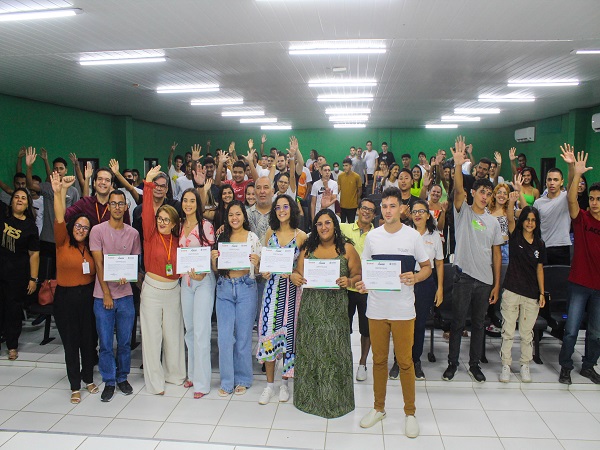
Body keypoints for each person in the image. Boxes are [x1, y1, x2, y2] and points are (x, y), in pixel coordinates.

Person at [355, 187, 430, 438]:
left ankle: (410, 413)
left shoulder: (412, 237)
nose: (388, 210)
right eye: (384, 206)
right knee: (378, 361)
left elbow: (427, 268)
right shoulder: (373, 238)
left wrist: (416, 277)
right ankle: (379, 408)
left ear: (401, 208)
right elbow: (367, 271)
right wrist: (363, 284)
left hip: (402, 310)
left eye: (392, 206)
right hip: (376, 309)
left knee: (405, 362)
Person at [442, 136, 503, 383]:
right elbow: (457, 189)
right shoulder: (463, 212)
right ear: (473, 193)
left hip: (485, 280)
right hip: (464, 278)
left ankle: (474, 364)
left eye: (488, 193)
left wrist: (497, 284)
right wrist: (458, 164)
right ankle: (453, 363)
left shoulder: (493, 221)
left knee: (479, 324)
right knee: (458, 323)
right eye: (482, 191)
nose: (485, 196)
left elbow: (496, 254)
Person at [293, 209, 361, 418]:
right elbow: (298, 272)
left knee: (334, 354)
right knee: (311, 352)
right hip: (312, 310)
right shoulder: (307, 248)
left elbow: (358, 276)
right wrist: (295, 277)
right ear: (315, 227)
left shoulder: (347, 249)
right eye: (319, 223)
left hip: (335, 310)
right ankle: (308, 399)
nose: (324, 227)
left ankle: (337, 401)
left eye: (328, 223)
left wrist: (348, 281)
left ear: (335, 225)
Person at [50, 172, 98, 403]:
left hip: (87, 296)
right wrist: (59, 191)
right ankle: (74, 385)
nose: (81, 229)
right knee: (71, 342)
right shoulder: (62, 242)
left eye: (85, 227)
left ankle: (88, 378)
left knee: (88, 339)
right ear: (72, 227)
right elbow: (59, 217)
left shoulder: (89, 248)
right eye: (78, 226)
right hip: (65, 297)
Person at [90, 189, 141, 402]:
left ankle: (122, 377)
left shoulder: (133, 234)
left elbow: (133, 263)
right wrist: (107, 294)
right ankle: (109, 380)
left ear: (126, 207)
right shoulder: (97, 231)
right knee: (105, 342)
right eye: (114, 204)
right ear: (108, 206)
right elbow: (99, 264)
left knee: (124, 341)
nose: (117, 207)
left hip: (126, 295)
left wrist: (129, 277)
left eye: (121, 204)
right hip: (103, 297)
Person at [140, 166, 186, 395]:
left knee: (173, 336)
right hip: (152, 290)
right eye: (160, 218)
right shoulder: (150, 234)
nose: (162, 222)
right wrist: (148, 185)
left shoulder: (179, 240)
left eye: (167, 220)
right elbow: (147, 211)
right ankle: (155, 382)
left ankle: (175, 375)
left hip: (173, 290)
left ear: (175, 223)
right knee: (152, 337)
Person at [257, 195, 307, 404]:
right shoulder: (270, 233)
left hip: (292, 294)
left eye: (285, 206)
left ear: (292, 209)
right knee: (268, 335)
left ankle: (285, 384)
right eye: (278, 207)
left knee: (289, 338)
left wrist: (291, 272)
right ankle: (269, 386)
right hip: (271, 292)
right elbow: (264, 262)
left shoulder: (301, 236)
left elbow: (301, 270)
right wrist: (265, 271)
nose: (281, 210)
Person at [558, 151, 600, 385]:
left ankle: (589, 366)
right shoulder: (582, 219)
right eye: (592, 198)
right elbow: (572, 201)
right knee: (572, 330)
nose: (594, 202)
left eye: (598, 199)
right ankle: (566, 366)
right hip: (579, 284)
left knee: (595, 333)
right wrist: (576, 174)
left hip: (599, 288)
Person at [211, 201, 262, 396]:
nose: (234, 218)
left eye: (238, 214)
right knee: (224, 338)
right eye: (231, 214)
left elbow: (258, 271)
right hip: (224, 288)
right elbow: (217, 269)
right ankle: (226, 381)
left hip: (246, 288)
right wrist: (213, 260)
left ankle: (243, 379)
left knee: (243, 337)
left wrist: (257, 264)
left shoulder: (252, 238)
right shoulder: (222, 236)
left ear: (244, 216)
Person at [499, 188, 546, 383]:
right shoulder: (515, 237)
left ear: (537, 223)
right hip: (512, 290)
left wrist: (542, 293)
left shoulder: (540, 244)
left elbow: (540, 269)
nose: (529, 223)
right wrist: (512, 199)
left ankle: (525, 364)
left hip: (531, 293)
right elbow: (510, 217)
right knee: (508, 331)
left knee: (527, 333)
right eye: (526, 219)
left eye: (533, 220)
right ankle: (506, 366)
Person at [179, 188, 216, 398]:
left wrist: (202, 273)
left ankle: (202, 383)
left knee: (202, 332)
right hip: (186, 282)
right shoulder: (179, 226)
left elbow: (210, 255)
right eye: (185, 200)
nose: (188, 204)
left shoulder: (206, 226)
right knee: (190, 330)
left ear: (197, 204)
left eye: (192, 201)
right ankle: (192, 374)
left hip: (203, 282)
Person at [25, 148, 80, 280]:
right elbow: (29, 185)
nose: (59, 171)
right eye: (56, 168)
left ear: (66, 170)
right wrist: (29, 167)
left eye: (61, 168)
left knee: (63, 275)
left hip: (66, 239)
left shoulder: (73, 191)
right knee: (46, 277)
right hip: (47, 239)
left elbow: (77, 215)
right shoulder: (47, 188)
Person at [0, 188, 40, 361]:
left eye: (23, 198)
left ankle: (12, 346)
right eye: (16, 197)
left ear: (27, 204)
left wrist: (33, 278)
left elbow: (34, 255)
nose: (19, 200)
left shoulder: (30, 226)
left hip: (16, 276)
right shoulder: (3, 217)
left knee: (13, 311)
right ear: (11, 201)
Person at [340, 198, 376, 381]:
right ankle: (343, 361)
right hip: (345, 288)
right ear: (358, 210)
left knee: (366, 330)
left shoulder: (378, 235)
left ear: (374, 215)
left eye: (371, 210)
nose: (366, 212)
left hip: (366, 291)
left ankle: (362, 363)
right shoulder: (344, 229)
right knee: (342, 328)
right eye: (364, 208)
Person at [409, 199, 444, 381]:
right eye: (414, 211)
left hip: (426, 283)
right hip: (406, 281)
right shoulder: (405, 234)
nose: (417, 214)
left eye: (421, 211)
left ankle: (415, 360)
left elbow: (439, 264)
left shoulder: (435, 236)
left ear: (428, 215)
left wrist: (440, 289)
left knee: (420, 324)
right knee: (403, 323)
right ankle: (400, 361)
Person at [533, 145, 575, 265]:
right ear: (545, 181)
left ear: (561, 182)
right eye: (549, 179)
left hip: (562, 247)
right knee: (544, 281)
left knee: (560, 281)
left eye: (555, 180)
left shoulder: (566, 197)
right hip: (544, 247)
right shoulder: (538, 202)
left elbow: (572, 182)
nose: (552, 183)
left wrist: (570, 165)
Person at [488, 183, 511, 264]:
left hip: (505, 248)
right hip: (489, 248)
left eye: (505, 193)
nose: (502, 195)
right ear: (494, 195)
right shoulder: (486, 212)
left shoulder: (510, 211)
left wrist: (519, 191)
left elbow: (525, 212)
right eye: (499, 192)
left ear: (508, 197)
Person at [337, 158, 362, 223]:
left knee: (351, 223)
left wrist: (356, 200)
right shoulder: (340, 176)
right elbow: (338, 189)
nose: (344, 167)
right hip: (342, 205)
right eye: (344, 165)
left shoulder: (356, 176)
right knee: (342, 224)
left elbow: (359, 190)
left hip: (352, 205)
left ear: (351, 166)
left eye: (346, 165)